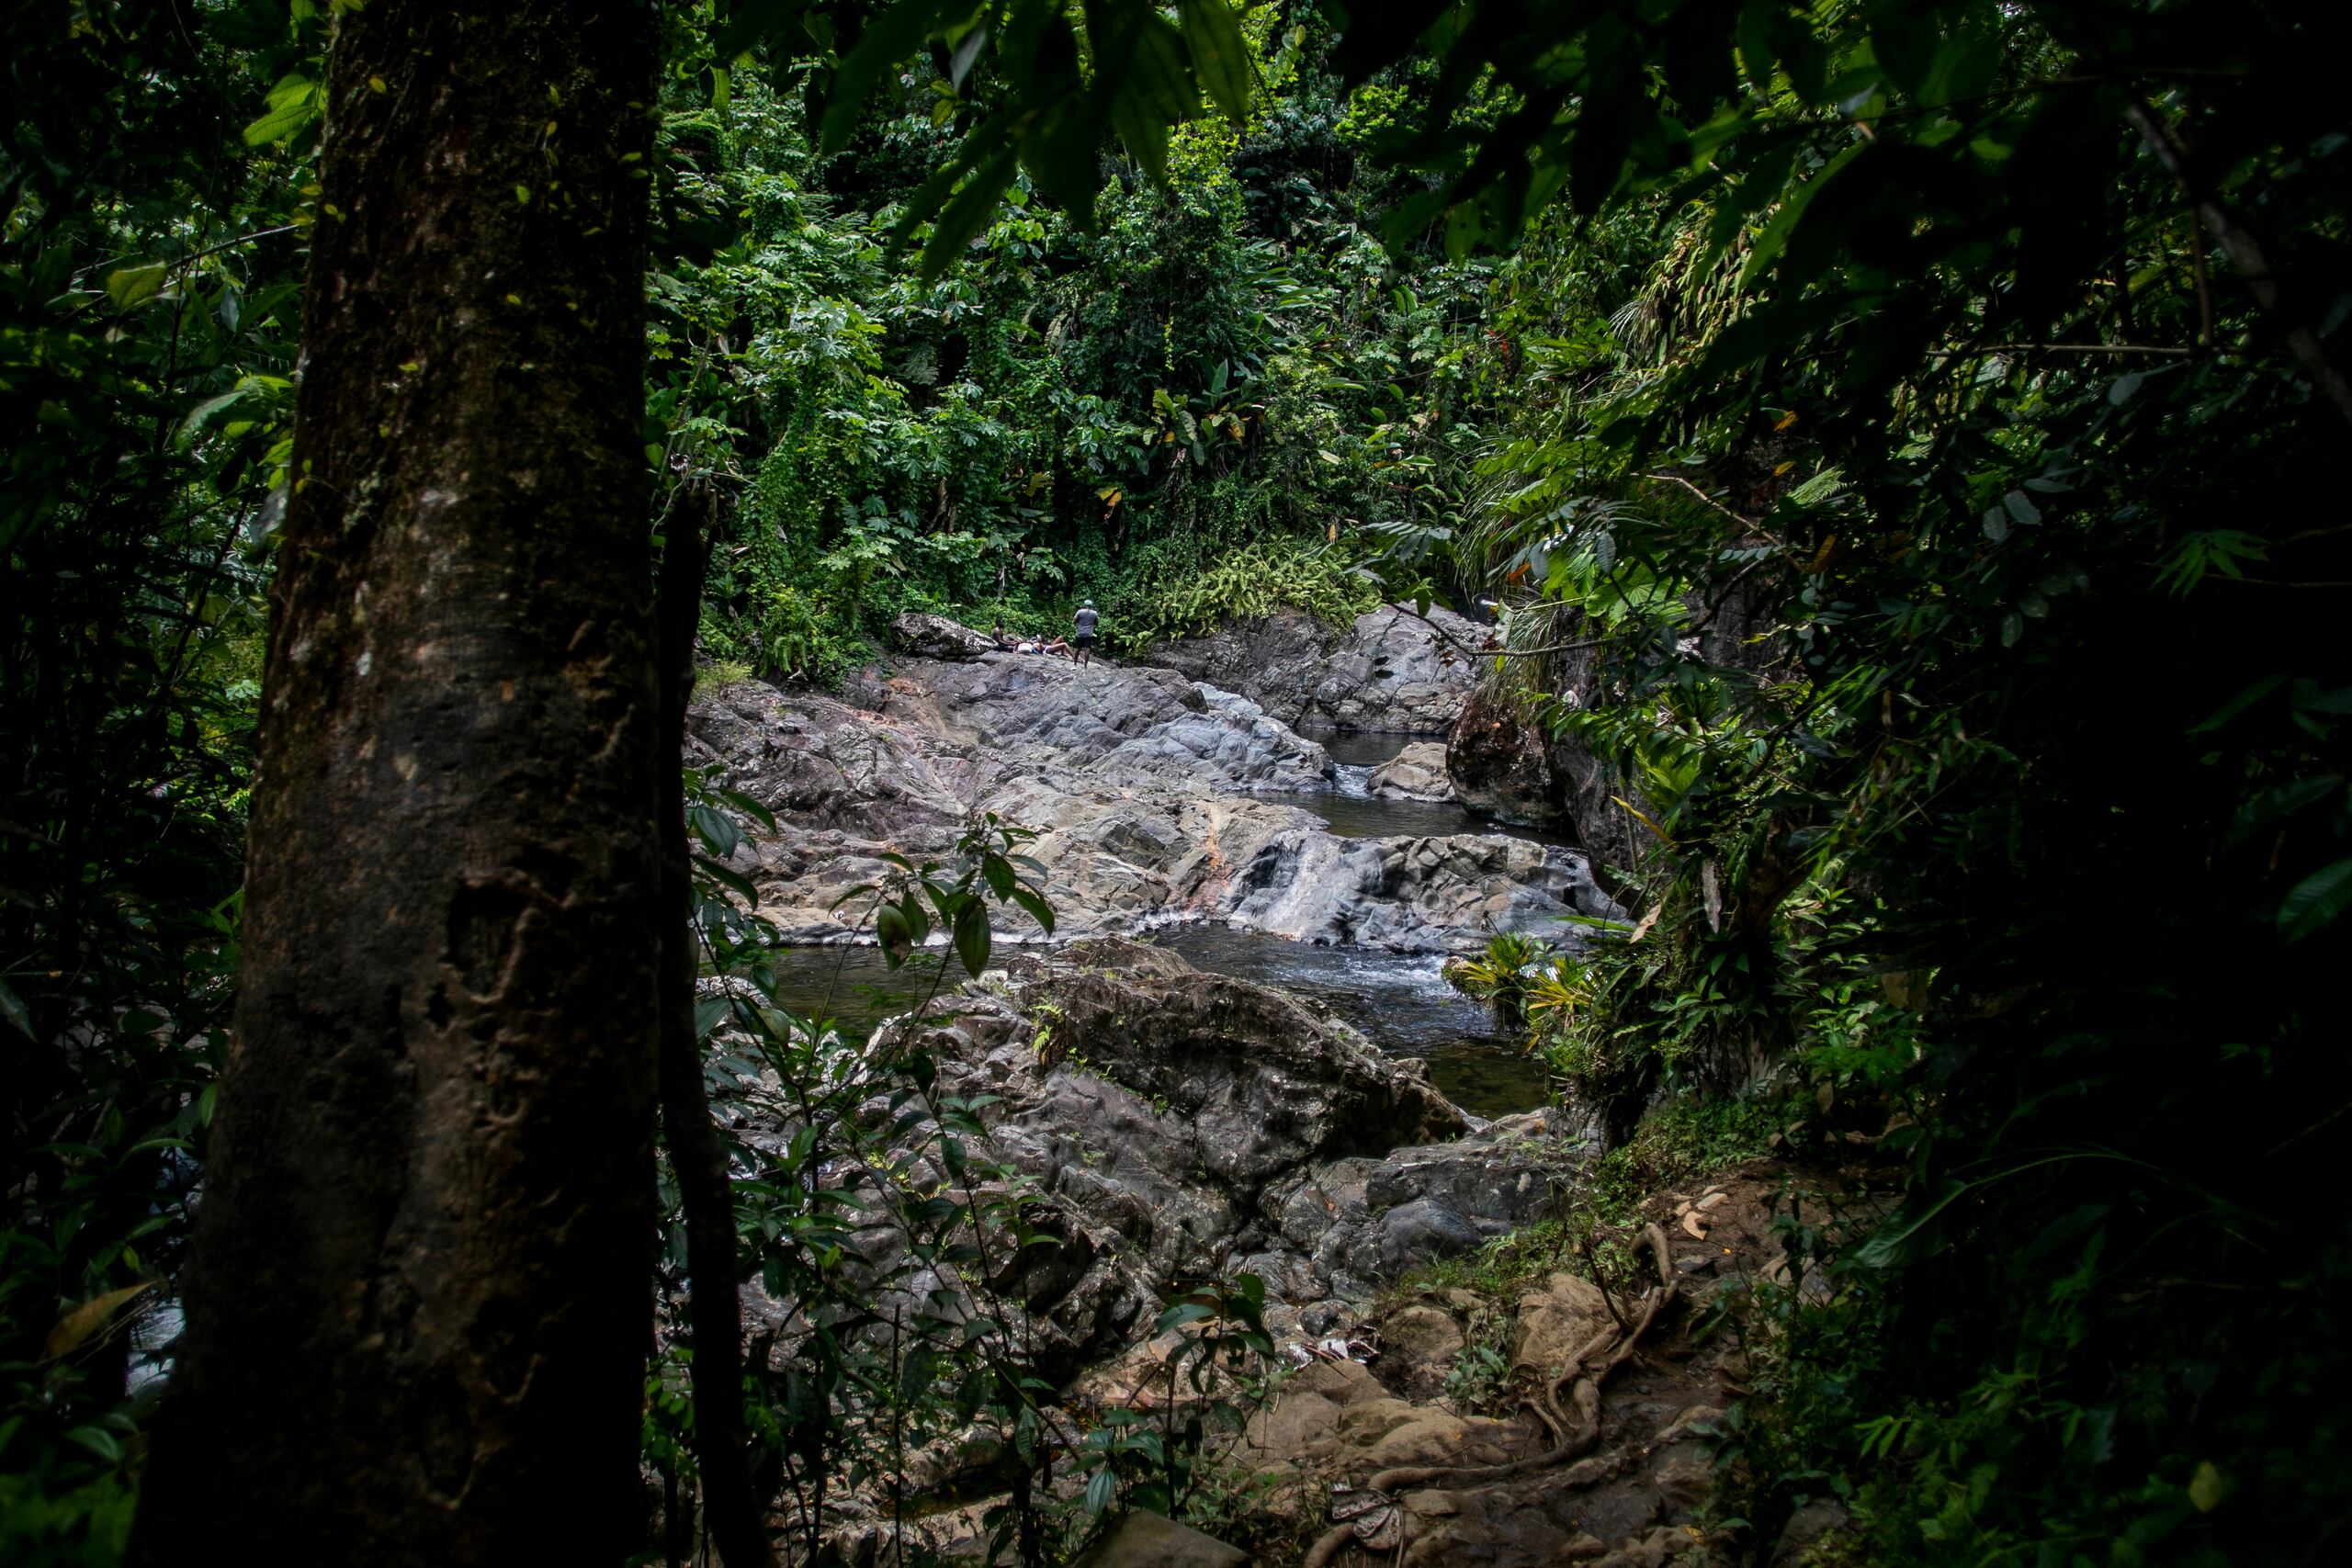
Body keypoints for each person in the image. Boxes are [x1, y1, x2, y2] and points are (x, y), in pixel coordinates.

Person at [1072, 599, 1100, 666]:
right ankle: (1085, 666)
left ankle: (1075, 664)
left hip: (1080, 633)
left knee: (1078, 648)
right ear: (1091, 606)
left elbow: (1074, 622)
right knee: (1087, 649)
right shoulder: (1094, 613)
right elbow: (1097, 623)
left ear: (1085, 605)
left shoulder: (1080, 611)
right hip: (1089, 634)